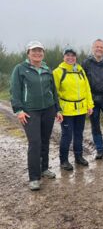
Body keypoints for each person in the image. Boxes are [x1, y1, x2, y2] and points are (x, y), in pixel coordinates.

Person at [10, 41, 63, 191]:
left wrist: (57, 110)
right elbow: (15, 90)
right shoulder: (20, 69)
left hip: (48, 110)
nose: (37, 53)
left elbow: (53, 91)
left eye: (40, 51)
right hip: (30, 111)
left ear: (43, 53)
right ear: (28, 53)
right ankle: (34, 177)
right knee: (35, 143)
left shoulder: (47, 69)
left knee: (45, 140)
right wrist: (18, 110)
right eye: (34, 51)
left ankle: (44, 168)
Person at [53, 46, 94, 170]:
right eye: (68, 55)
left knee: (79, 134)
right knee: (67, 135)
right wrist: (57, 110)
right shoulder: (57, 72)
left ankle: (78, 157)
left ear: (76, 57)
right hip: (67, 110)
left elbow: (87, 88)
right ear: (63, 57)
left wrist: (90, 105)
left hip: (81, 109)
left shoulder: (80, 70)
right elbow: (54, 93)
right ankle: (64, 160)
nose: (70, 58)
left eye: (73, 55)